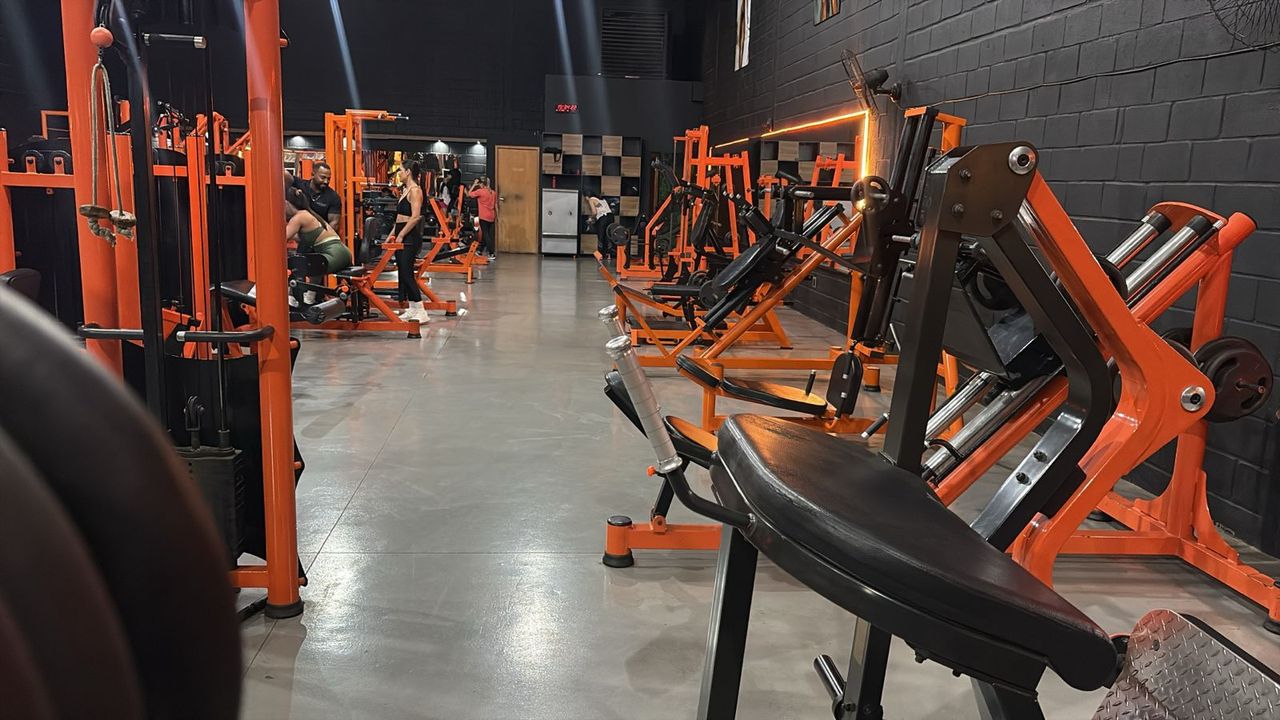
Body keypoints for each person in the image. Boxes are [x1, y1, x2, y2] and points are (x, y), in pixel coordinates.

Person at [284, 184, 352, 306]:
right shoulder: (309, 214)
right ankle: (308, 298)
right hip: (343, 253)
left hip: (334, 255)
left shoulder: (299, 217)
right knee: (313, 261)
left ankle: (294, 298)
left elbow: (281, 238)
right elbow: (299, 237)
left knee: (297, 264)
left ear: (287, 203)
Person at [393, 161, 430, 324]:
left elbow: (415, 217)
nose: (399, 174)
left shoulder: (415, 191)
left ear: (408, 172)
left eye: (400, 171)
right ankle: (413, 308)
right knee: (402, 272)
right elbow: (399, 218)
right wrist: (392, 235)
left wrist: (401, 234)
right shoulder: (405, 190)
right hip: (401, 233)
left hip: (409, 237)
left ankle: (421, 311)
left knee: (407, 274)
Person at [292, 161, 342, 234]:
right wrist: (292, 191)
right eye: (323, 177)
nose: (326, 181)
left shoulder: (333, 197)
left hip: (318, 233)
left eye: (328, 179)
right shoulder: (300, 184)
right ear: (312, 175)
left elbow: (334, 226)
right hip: (297, 230)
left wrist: (319, 238)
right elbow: (284, 175)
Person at [469, 176, 498, 259]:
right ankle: (480, 250)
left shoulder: (481, 191)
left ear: (482, 184)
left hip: (484, 216)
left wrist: (474, 184)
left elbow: (469, 194)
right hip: (491, 216)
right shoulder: (493, 192)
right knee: (486, 234)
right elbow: (496, 205)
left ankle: (491, 253)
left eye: (479, 184)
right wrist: (497, 216)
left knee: (485, 234)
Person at [588, 193, 615, 260]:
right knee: (608, 236)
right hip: (610, 217)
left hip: (603, 218)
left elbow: (594, 212)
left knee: (601, 236)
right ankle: (609, 255)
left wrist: (591, 218)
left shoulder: (591, 199)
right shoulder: (602, 199)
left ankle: (600, 256)